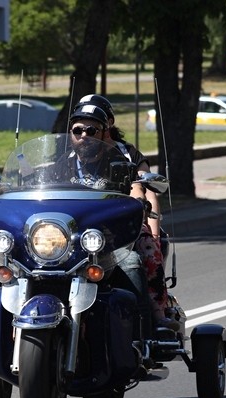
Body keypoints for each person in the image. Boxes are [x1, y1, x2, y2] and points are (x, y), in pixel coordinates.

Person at [70, 97, 179, 331]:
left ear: (105, 129)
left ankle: (154, 318)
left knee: (139, 256)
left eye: (91, 130)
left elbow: (140, 189)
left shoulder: (122, 158)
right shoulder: (62, 162)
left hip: (115, 229)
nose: (84, 135)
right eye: (78, 130)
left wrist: (148, 221)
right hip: (75, 231)